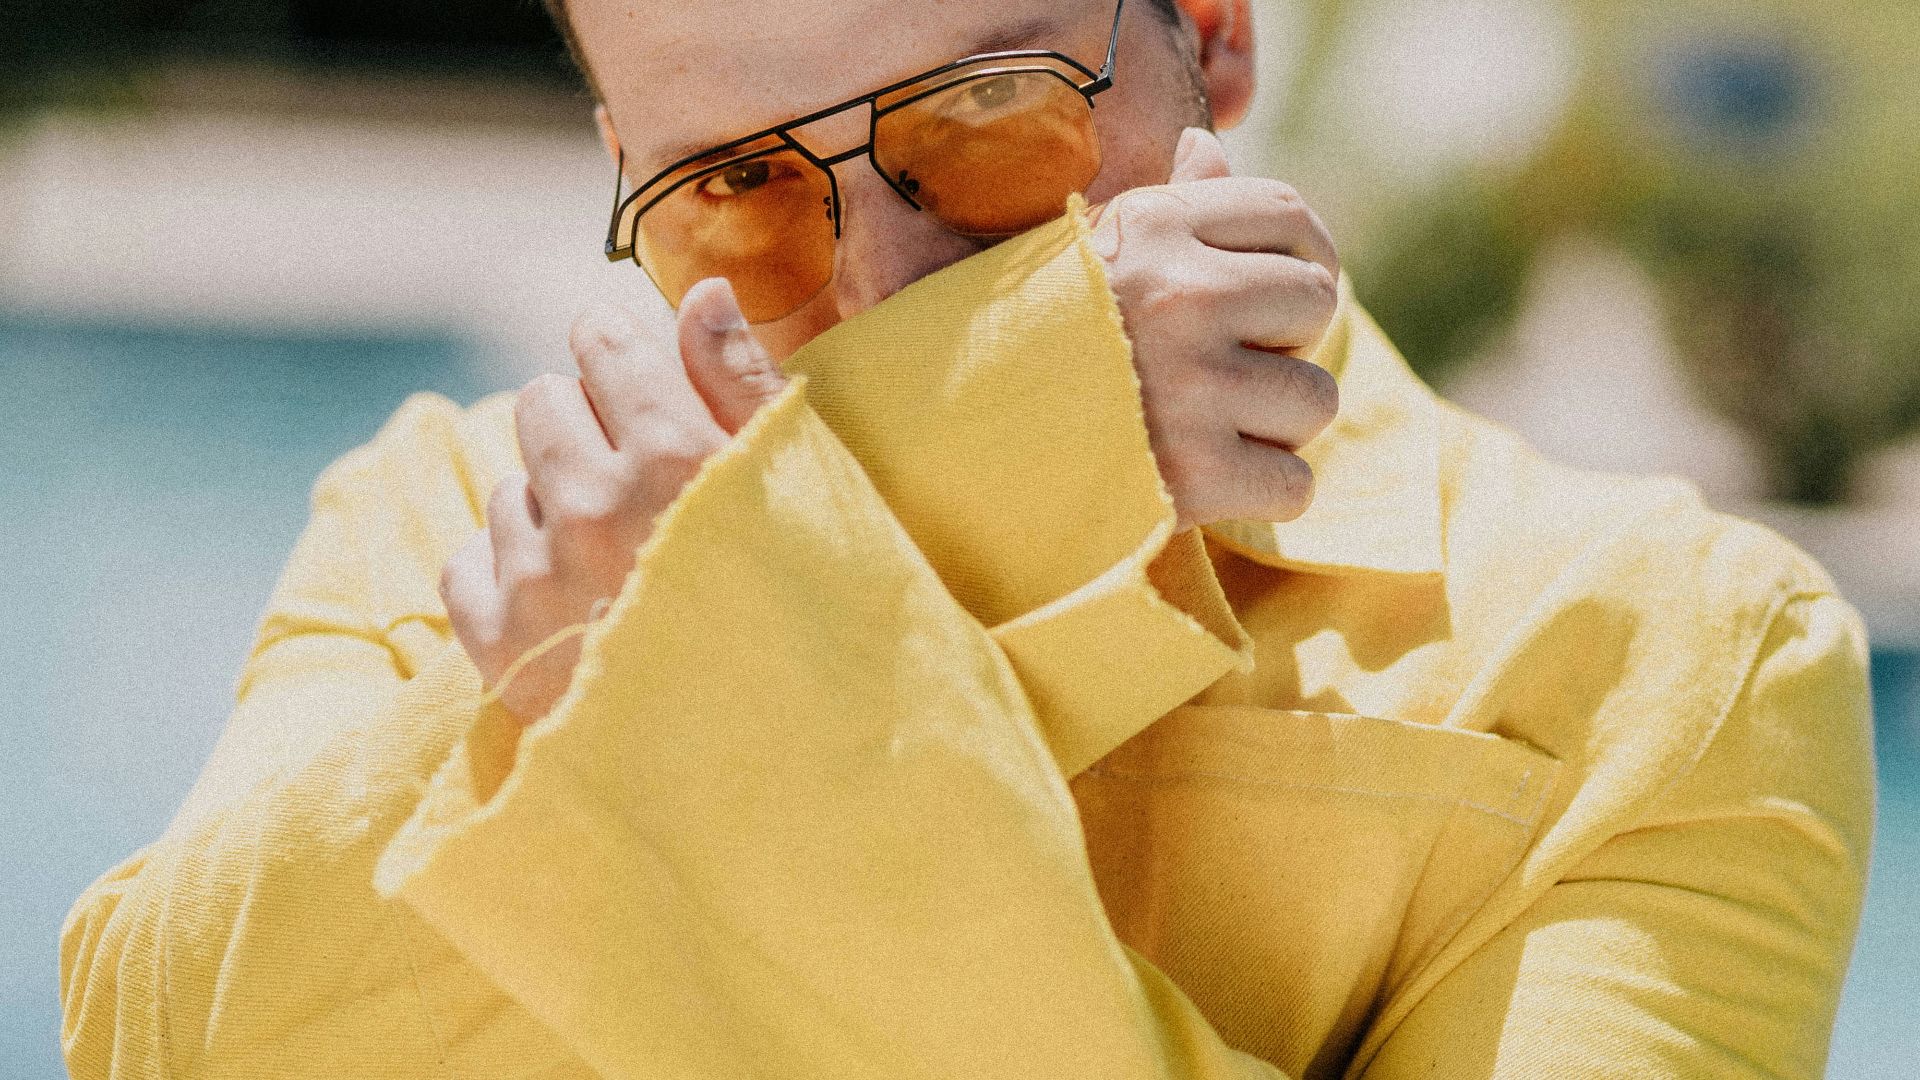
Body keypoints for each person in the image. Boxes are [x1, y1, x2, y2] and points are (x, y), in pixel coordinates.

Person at [58, 0, 1874, 1077]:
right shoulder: (454, 515)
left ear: (1215, 34)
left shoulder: (1662, 655)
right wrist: (983, 459)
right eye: (734, 190)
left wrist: (774, 584)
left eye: (992, 110)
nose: (884, 284)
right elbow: (166, 1044)